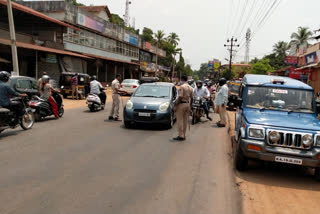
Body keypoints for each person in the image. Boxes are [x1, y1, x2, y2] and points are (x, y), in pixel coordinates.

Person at [173, 75, 194, 141]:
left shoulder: (182, 87)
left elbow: (180, 97)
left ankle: (180, 135)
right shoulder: (190, 87)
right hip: (187, 104)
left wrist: (176, 105)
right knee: (185, 121)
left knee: (179, 121)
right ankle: (184, 135)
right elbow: (192, 98)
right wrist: (190, 105)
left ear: (182, 79)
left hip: (181, 104)